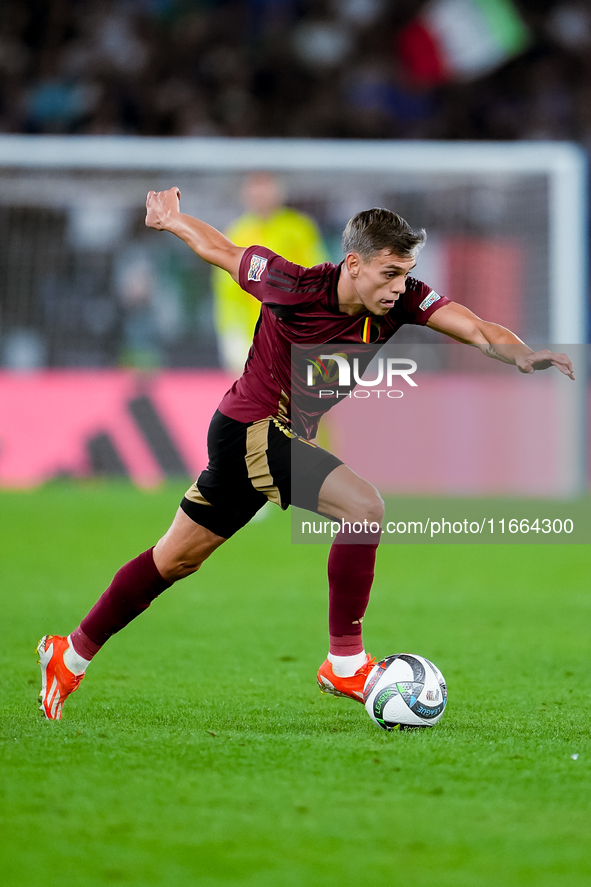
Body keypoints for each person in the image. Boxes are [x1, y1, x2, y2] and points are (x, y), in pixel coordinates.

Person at [36, 188, 575, 720]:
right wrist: (174, 220)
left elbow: (477, 328)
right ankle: (345, 661)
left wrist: (525, 355)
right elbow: (223, 251)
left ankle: (71, 652)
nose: (399, 287)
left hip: (268, 436)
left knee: (174, 559)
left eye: (406, 272)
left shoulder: (405, 299)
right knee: (364, 508)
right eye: (389, 273)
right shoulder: (291, 284)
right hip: (251, 427)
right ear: (354, 263)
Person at [212, 171, 328, 374]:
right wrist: (231, 333)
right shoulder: (237, 234)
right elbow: (227, 292)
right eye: (256, 189)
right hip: (252, 335)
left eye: (266, 188)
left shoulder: (299, 229)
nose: (261, 195)